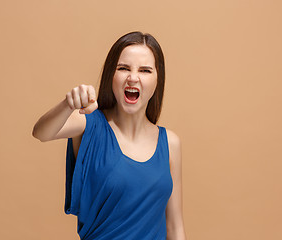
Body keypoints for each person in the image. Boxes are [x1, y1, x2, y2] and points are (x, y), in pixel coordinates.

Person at [32, 31, 187, 240]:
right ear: (111, 75)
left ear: (157, 79)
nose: (133, 77)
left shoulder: (170, 143)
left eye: (145, 70)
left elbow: (175, 228)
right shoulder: (89, 123)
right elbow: (41, 132)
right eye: (123, 68)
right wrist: (68, 104)